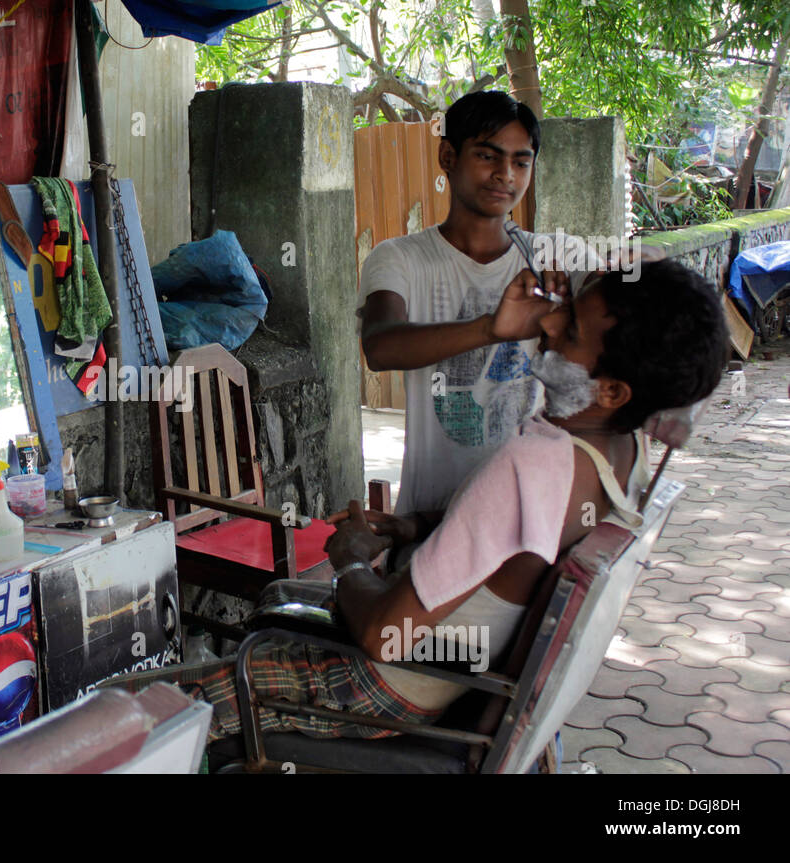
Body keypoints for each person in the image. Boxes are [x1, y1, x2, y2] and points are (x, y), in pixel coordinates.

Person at [137, 259, 726, 743]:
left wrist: (349, 559)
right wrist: (410, 526)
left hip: (390, 686)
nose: (546, 326)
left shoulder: (533, 465)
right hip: (457, 672)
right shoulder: (622, 452)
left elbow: (381, 636)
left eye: (569, 330)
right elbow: (514, 536)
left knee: (138, 713)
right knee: (277, 594)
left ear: (612, 390)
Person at [359, 91, 598, 517]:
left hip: (526, 513)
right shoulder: (399, 257)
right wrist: (491, 328)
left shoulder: (553, 256)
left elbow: (629, 301)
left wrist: (623, 275)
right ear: (448, 157)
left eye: (521, 162)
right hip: (429, 515)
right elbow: (380, 346)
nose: (505, 174)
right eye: (488, 156)